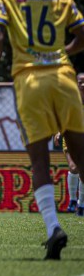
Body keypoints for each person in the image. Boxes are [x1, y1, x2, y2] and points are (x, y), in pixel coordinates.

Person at [0, 0, 84, 259]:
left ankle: (54, 227)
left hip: (29, 81)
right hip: (64, 78)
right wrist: (61, 53)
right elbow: (82, 34)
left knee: (40, 159)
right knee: (81, 157)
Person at [54, 73, 84, 216]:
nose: (83, 85)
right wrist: (58, 132)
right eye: (80, 82)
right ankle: (72, 200)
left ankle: (81, 205)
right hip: (70, 137)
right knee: (73, 167)